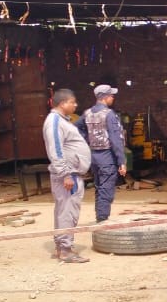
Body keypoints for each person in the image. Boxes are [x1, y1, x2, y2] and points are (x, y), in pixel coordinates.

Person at [43, 89, 91, 263]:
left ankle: (63, 246)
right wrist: (65, 174)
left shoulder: (62, 121)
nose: (75, 105)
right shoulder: (55, 122)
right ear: (63, 103)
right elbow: (55, 150)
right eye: (72, 102)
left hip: (71, 174)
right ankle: (65, 250)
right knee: (67, 212)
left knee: (66, 210)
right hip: (67, 175)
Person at [77, 84, 127, 223]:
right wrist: (121, 161)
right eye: (111, 95)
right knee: (106, 189)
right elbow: (115, 139)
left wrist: (87, 139)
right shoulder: (109, 114)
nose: (113, 97)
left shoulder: (87, 113)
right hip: (107, 157)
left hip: (94, 157)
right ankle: (102, 219)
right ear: (105, 97)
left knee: (99, 188)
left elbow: (76, 128)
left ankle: (100, 216)